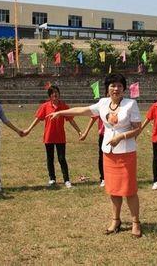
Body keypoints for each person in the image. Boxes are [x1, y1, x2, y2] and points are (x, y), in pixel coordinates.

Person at [47, 74, 143, 238]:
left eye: (119, 85)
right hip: (109, 153)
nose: (116, 89)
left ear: (124, 88)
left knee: (129, 190)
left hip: (126, 152)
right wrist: (61, 112)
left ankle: (135, 222)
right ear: (107, 88)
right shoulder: (103, 103)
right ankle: (116, 220)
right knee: (113, 189)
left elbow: (137, 128)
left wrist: (121, 137)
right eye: (113, 85)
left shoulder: (130, 104)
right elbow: (82, 110)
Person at [23, 86, 82, 188]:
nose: (55, 94)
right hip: (49, 136)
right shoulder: (45, 106)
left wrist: (79, 131)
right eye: (52, 93)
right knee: (50, 158)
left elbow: (71, 120)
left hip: (60, 137)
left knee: (62, 158)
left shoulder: (64, 106)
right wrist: (29, 129)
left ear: (59, 94)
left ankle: (67, 180)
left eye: (56, 92)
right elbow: (38, 119)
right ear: (50, 96)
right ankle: (52, 179)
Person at [80, 115, 106, 187]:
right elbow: (93, 118)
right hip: (103, 135)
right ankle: (103, 179)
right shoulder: (101, 105)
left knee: (115, 157)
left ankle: (115, 178)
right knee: (102, 158)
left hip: (115, 135)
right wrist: (85, 133)